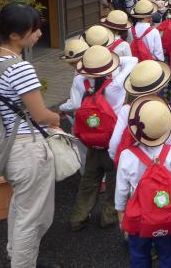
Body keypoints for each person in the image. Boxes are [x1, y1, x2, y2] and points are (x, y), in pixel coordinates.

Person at [0, 3, 61, 267]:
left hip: (6, 145)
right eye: (34, 29)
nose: (39, 34)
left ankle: (16, 254)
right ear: (15, 35)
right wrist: (57, 119)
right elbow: (41, 115)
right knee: (33, 217)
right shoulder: (20, 68)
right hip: (27, 150)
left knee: (21, 207)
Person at [69, 46, 137, 232]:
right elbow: (132, 61)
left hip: (91, 140)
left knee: (89, 181)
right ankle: (108, 217)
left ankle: (78, 218)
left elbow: (75, 104)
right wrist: (115, 60)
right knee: (115, 182)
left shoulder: (79, 82)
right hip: (112, 141)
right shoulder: (116, 86)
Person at [115, 96, 171, 268]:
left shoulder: (127, 155)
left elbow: (122, 189)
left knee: (139, 253)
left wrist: (121, 212)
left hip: (138, 214)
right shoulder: (170, 152)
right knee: (168, 253)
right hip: (166, 212)